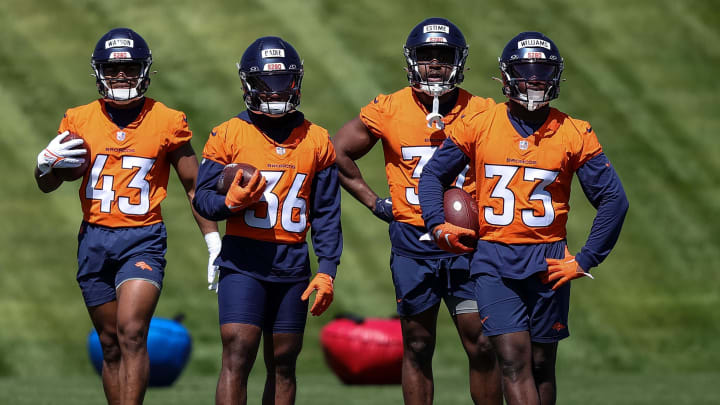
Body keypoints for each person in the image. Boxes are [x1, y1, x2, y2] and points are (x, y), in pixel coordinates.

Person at [418, 31, 629, 405]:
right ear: (505, 76)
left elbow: (613, 200)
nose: (535, 80)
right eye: (526, 71)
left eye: (543, 71)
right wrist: (437, 224)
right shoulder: (479, 123)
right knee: (513, 361)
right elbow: (434, 174)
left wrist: (585, 259)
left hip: (549, 260)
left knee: (542, 363)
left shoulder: (575, 132)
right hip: (494, 258)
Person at [34, 28, 220, 404]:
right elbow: (52, 182)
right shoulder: (79, 119)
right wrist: (43, 167)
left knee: (132, 331)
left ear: (144, 70)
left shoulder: (167, 120)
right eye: (113, 69)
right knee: (110, 344)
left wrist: (213, 240)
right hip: (94, 239)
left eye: (130, 68)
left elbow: (194, 185)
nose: (121, 76)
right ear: (99, 72)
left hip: (143, 238)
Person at [333, 17, 501, 405]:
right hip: (414, 243)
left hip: (468, 245)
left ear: (459, 61)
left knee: (483, 345)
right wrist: (375, 202)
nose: (436, 65)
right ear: (412, 62)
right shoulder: (389, 108)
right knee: (418, 345)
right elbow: (335, 152)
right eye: (427, 57)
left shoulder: (484, 111)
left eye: (444, 56)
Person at [192, 36, 342, 405]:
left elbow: (325, 213)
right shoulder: (227, 134)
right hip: (243, 260)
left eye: (282, 82)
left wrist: (327, 268)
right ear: (247, 85)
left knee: (284, 361)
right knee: (238, 351)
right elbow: (204, 199)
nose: (274, 92)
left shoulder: (317, 139)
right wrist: (229, 203)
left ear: (296, 82)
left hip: (292, 264)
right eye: (265, 84)